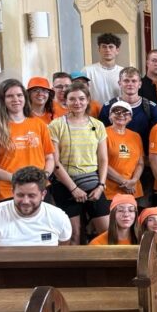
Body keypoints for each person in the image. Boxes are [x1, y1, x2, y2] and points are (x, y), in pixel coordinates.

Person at [48, 81, 109, 245]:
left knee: (107, 233)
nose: (77, 103)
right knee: (73, 236)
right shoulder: (56, 125)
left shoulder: (97, 125)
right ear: (65, 101)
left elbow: (103, 159)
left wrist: (101, 186)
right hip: (65, 184)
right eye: (72, 99)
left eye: (81, 99)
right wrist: (73, 189)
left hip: (93, 184)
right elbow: (55, 162)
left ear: (88, 100)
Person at [0, 166, 71, 247]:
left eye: (31, 196)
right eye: (20, 195)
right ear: (13, 192)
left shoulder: (59, 216)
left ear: (43, 194)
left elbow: (63, 249)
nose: (25, 201)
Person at [0, 79, 55, 203]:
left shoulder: (39, 124)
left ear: (25, 97)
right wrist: (17, 178)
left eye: (19, 95)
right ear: (2, 100)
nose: (16, 99)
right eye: (10, 96)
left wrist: (44, 176)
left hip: (39, 189)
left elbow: (49, 157)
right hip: (7, 192)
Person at [97, 67, 157, 148]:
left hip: (142, 153)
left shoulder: (151, 108)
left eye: (134, 81)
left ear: (140, 84)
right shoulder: (108, 107)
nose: (130, 84)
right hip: (114, 153)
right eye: (126, 81)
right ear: (119, 83)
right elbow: (101, 135)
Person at [82, 33, 124, 104]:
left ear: (117, 50)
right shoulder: (87, 71)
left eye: (111, 47)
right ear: (99, 49)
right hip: (94, 110)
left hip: (117, 110)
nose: (107, 50)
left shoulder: (123, 72)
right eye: (104, 47)